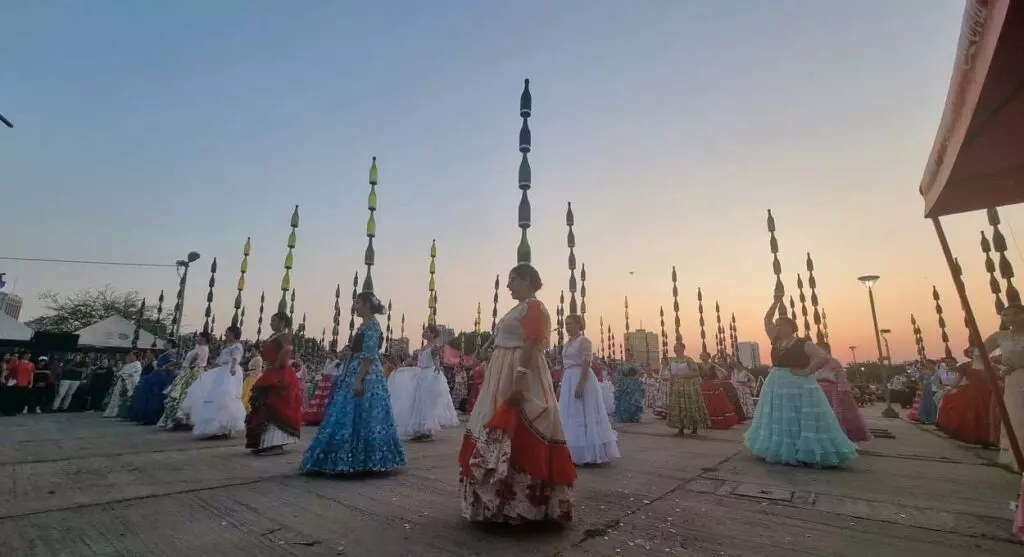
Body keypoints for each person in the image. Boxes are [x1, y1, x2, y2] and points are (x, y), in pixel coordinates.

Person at [459, 264, 574, 524]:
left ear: (526, 279)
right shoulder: (517, 308)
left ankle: (520, 505)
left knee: (520, 421)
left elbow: (531, 344)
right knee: (493, 421)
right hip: (502, 371)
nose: (509, 285)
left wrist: (519, 379)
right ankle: (498, 501)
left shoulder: (535, 307)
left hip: (518, 370)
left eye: (512, 280)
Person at [743, 294, 857, 467]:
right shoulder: (776, 341)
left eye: (781, 324)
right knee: (779, 414)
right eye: (777, 325)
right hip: (777, 381)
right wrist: (776, 302)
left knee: (799, 414)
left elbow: (822, 357)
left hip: (797, 382)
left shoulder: (803, 343)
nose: (778, 327)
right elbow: (767, 320)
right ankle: (780, 448)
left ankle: (804, 449)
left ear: (791, 327)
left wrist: (808, 371)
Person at [301, 292, 405, 474]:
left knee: (361, 413)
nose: (355, 306)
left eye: (358, 303)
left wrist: (358, 379)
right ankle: (356, 458)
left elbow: (369, 356)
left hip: (365, 374)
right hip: (356, 369)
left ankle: (360, 458)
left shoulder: (372, 325)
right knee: (356, 413)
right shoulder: (366, 325)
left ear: (367, 304)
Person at [558, 314, 619, 465]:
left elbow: (586, 363)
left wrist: (581, 384)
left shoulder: (584, 341)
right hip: (568, 378)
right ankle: (572, 450)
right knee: (569, 412)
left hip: (581, 377)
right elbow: (565, 365)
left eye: (570, 324)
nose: (567, 327)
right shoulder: (567, 343)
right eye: (566, 324)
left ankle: (589, 452)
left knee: (584, 411)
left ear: (578, 325)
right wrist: (560, 384)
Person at [389, 324, 460, 440]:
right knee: (419, 402)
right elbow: (414, 359)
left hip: (429, 375)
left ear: (433, 334)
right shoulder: (424, 347)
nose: (424, 333)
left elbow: (436, 359)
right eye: (425, 331)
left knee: (427, 402)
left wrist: (437, 367)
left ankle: (427, 430)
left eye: (427, 331)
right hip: (421, 374)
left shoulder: (434, 347)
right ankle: (421, 429)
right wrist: (402, 365)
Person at [245, 312, 302, 455]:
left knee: (275, 405)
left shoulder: (284, 336)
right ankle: (265, 443)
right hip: (271, 371)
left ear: (282, 322)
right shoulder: (275, 336)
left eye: (274, 320)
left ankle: (276, 444)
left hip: (280, 373)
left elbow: (287, 350)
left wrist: (277, 364)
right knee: (265, 404)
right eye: (271, 320)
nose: (271, 323)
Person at [185, 326, 246, 439]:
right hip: (222, 372)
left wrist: (232, 367)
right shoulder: (228, 346)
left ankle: (223, 428)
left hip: (228, 372)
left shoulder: (237, 346)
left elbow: (235, 357)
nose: (225, 335)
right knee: (214, 396)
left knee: (225, 396)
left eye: (227, 333)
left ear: (233, 333)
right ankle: (215, 427)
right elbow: (220, 361)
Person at [984, 303, 1024, 472]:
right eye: (1006, 315)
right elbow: (980, 353)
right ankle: (1015, 458)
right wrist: (997, 369)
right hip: (1014, 380)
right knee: (1015, 417)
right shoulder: (1001, 336)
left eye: (1016, 314)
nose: (1011, 318)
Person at [937, 347, 997, 446]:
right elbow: (957, 380)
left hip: (987, 392)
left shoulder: (989, 364)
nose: (972, 354)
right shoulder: (965, 366)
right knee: (968, 411)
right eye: (970, 352)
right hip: (971, 392)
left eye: (973, 352)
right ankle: (976, 437)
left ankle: (990, 439)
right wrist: (949, 389)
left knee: (987, 414)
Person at [814, 343, 871, 442]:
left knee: (835, 414)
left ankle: (838, 437)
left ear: (827, 350)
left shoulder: (834, 362)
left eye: (822, 349)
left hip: (832, 391)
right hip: (817, 391)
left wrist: (842, 390)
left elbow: (842, 377)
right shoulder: (813, 362)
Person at [158, 332, 210, 429]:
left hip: (192, 371)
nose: (197, 338)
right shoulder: (202, 348)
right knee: (185, 394)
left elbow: (196, 358)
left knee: (184, 393)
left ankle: (182, 419)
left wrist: (189, 366)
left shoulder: (201, 348)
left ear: (204, 339)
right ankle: (184, 419)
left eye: (199, 337)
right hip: (192, 370)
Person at [664, 343, 709, 435]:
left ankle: (694, 428)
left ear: (683, 349)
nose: (676, 350)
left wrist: (683, 375)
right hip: (676, 387)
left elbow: (696, 373)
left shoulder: (688, 360)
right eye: (675, 348)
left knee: (690, 406)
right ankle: (680, 428)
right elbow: (668, 372)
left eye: (678, 348)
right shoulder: (672, 360)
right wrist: (668, 377)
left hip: (688, 387)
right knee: (678, 407)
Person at [104, 353, 142, 418]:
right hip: (121, 382)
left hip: (130, 382)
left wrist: (126, 376)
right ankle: (113, 412)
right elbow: (121, 372)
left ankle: (123, 412)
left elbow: (137, 373)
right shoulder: (127, 365)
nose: (130, 357)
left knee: (126, 397)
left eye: (131, 355)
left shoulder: (137, 364)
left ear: (135, 356)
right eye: (129, 356)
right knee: (116, 396)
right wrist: (118, 375)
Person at [241, 343, 263, 414]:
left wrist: (247, 373)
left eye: (253, 350)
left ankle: (248, 410)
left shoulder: (259, 359)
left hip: (254, 378)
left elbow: (258, 370)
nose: (252, 351)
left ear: (257, 350)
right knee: (245, 393)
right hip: (250, 377)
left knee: (249, 394)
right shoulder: (254, 358)